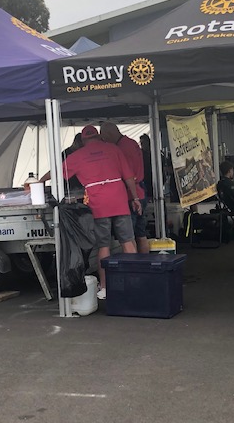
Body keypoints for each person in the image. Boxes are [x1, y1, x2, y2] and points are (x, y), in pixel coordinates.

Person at [40, 125, 141, 300]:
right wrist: (135, 198)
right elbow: (129, 177)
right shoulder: (114, 149)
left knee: (104, 246)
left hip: (99, 203)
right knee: (127, 242)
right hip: (119, 199)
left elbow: (57, 172)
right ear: (99, 136)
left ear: (83, 140)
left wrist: (40, 181)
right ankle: (134, 283)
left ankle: (105, 287)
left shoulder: (77, 156)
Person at [100, 122, 149, 254]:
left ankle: (133, 265)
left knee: (128, 238)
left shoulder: (122, 148)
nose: (103, 140)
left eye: (103, 136)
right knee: (141, 234)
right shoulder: (131, 143)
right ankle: (145, 264)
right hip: (141, 191)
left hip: (131, 194)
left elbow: (128, 175)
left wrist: (133, 197)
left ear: (109, 134)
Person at [139, 134, 153, 200]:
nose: (142, 145)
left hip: (154, 178)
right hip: (144, 179)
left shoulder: (155, 152)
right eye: (141, 143)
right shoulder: (140, 153)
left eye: (143, 143)